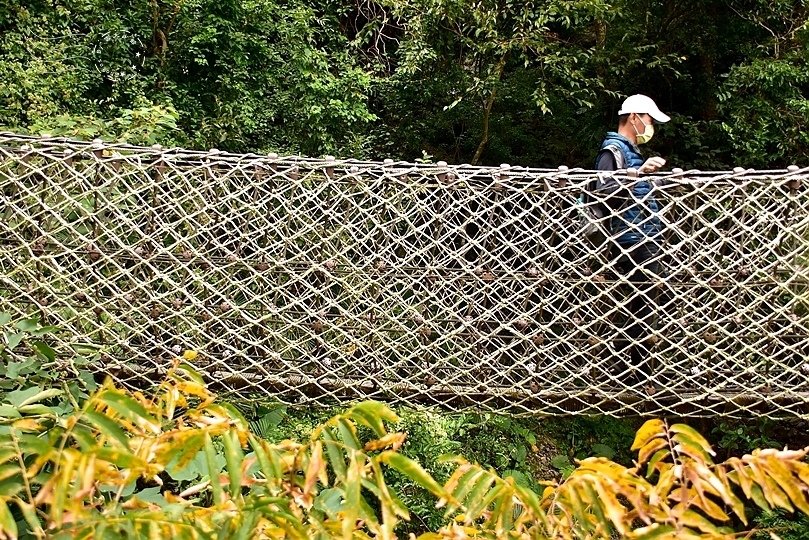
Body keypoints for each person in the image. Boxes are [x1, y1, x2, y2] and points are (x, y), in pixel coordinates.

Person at [594, 94, 670, 394]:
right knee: (643, 301)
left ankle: (632, 371)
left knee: (646, 302)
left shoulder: (632, 152)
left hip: (646, 236)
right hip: (630, 238)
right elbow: (604, 191)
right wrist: (638, 174)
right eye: (649, 119)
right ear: (634, 116)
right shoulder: (612, 151)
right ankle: (632, 374)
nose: (650, 125)